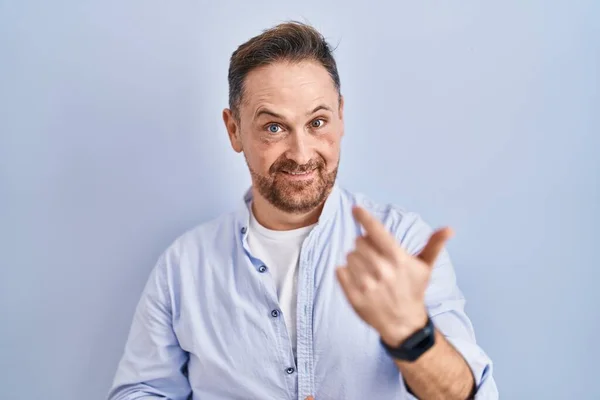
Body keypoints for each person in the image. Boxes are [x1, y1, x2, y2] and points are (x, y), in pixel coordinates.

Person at [108, 21, 498, 400]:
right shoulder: (183, 267)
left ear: (341, 117)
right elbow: (140, 391)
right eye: (274, 128)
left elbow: (468, 395)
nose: (301, 154)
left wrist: (413, 334)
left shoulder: (403, 243)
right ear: (233, 130)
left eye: (317, 122)